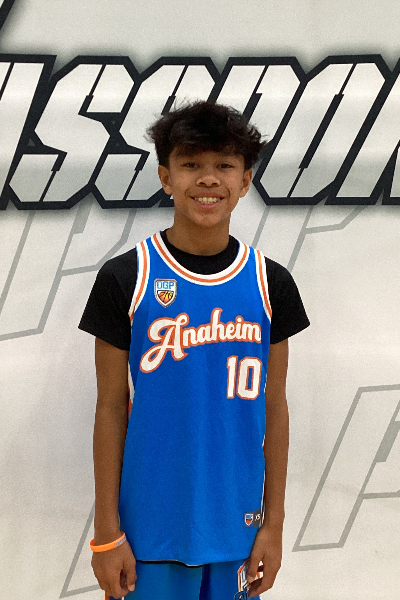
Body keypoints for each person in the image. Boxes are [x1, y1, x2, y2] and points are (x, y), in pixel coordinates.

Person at [79, 101, 310, 600]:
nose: (208, 179)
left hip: (237, 527)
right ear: (165, 177)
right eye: (190, 164)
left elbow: (275, 407)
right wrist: (106, 533)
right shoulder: (126, 278)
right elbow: (110, 407)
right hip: (147, 530)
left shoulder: (270, 283)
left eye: (224, 165)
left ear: (245, 180)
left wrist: (273, 524)